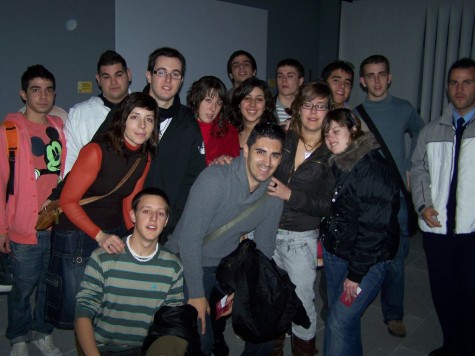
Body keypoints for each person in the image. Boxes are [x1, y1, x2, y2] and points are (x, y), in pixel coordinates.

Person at [166, 123, 286, 356]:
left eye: (275, 155)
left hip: (226, 265)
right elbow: (190, 241)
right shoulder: (215, 180)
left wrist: (247, 289)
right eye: (261, 152)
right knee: (202, 340)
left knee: (266, 325)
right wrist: (197, 295)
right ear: (247, 151)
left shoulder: (273, 196)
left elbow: (264, 250)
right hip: (188, 261)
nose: (267, 162)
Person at [45, 92, 159, 330]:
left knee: (106, 305)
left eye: (149, 119)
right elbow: (68, 202)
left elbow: (129, 200)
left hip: (112, 228)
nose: (142, 125)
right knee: (80, 309)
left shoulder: (144, 156)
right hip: (76, 231)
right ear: (122, 119)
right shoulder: (97, 150)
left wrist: (133, 236)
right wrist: (99, 235)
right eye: (135, 117)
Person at [97, 47, 205, 241]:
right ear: (149, 76)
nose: (168, 80)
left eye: (175, 74)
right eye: (161, 72)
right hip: (114, 225)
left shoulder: (188, 123)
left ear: (181, 80)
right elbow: (94, 157)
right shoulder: (126, 110)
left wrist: (171, 221)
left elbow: (193, 180)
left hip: (161, 228)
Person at [355, 54, 424, 337]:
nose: (377, 80)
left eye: (381, 74)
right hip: (368, 197)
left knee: (397, 256)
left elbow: (422, 133)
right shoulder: (356, 113)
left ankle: (394, 313)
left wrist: (410, 166)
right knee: (363, 251)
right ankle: (356, 303)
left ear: (390, 76)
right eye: (370, 75)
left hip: (396, 195)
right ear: (362, 81)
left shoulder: (404, 108)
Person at [321, 108, 400, 356]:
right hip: (337, 253)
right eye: (326, 133)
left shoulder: (371, 167)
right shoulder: (339, 163)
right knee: (341, 319)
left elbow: (374, 229)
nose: (330, 137)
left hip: (367, 262)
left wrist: (356, 274)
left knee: (339, 320)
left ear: (353, 131)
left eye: (336, 130)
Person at [411, 57, 475, 356]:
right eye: (454, 82)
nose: (459, 89)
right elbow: (418, 169)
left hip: (471, 233)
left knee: (470, 294)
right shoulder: (431, 130)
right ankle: (453, 345)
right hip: (437, 230)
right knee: (444, 293)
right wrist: (423, 204)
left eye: (467, 82)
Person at [0, 65, 65, 356]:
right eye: (36, 89)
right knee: (23, 289)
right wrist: (2, 228)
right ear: (23, 93)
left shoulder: (60, 130)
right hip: (24, 227)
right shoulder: (9, 132)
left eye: (49, 89)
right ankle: (18, 337)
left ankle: (42, 333)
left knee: (50, 286)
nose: (43, 95)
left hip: (58, 226)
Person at [75, 187, 184, 355]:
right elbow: (83, 311)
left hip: (145, 348)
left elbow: (172, 317)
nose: (153, 218)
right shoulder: (104, 257)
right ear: (133, 215)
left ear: (166, 220)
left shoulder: (173, 266)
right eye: (146, 211)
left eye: (161, 213)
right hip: (101, 348)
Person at [269, 81, 334, 356]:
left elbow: (326, 204)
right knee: (273, 297)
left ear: (329, 111)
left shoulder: (332, 152)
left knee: (303, 302)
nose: (313, 111)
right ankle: (274, 348)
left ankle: (304, 350)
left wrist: (289, 195)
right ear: (298, 108)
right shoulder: (284, 138)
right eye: (308, 104)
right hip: (269, 230)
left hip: (300, 238)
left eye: (320, 106)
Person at [319, 59, 356, 323]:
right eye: (336, 79)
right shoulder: (314, 114)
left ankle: (337, 313)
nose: (341, 86)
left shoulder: (356, 120)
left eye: (347, 81)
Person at [64, 50, 131, 173]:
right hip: (92, 190)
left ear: (128, 74)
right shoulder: (80, 114)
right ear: (98, 79)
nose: (113, 82)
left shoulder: (145, 111)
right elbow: (69, 162)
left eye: (118, 74)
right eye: (106, 77)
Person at [186, 76, 240, 166]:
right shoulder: (182, 126)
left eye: (219, 103)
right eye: (208, 100)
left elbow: (236, 167)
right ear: (196, 99)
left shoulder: (229, 131)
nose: (213, 108)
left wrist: (225, 161)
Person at [230, 77, 278, 149]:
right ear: (239, 103)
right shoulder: (228, 135)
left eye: (259, 99)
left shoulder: (274, 137)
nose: (253, 104)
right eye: (247, 98)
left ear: (266, 105)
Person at [274, 58, 305, 128]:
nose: (284, 80)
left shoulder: (308, 109)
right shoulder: (267, 108)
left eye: (290, 76)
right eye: (280, 76)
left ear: (300, 81)